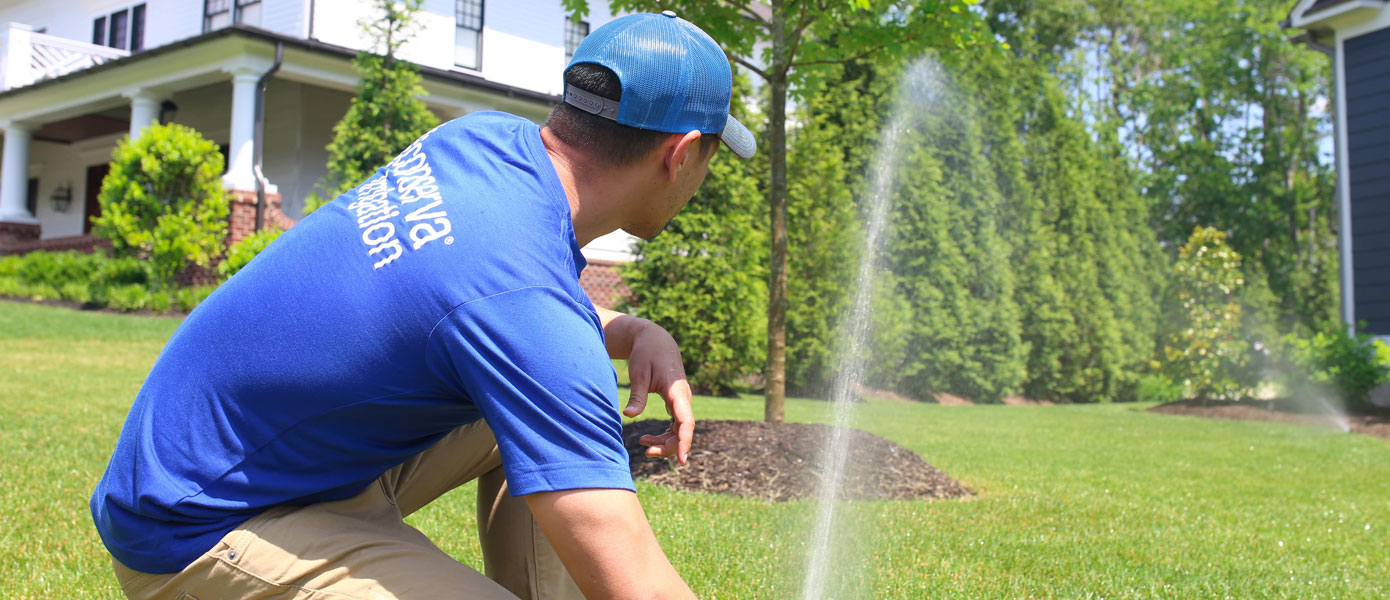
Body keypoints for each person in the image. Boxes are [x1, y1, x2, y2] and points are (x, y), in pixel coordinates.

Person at [89, 11, 756, 600]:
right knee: (558, 395)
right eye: (712, 155)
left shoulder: (479, 142)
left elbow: (477, 305)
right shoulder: (525, 308)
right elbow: (636, 583)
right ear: (681, 154)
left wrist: (630, 331)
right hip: (198, 526)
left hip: (252, 466)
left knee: (547, 399)